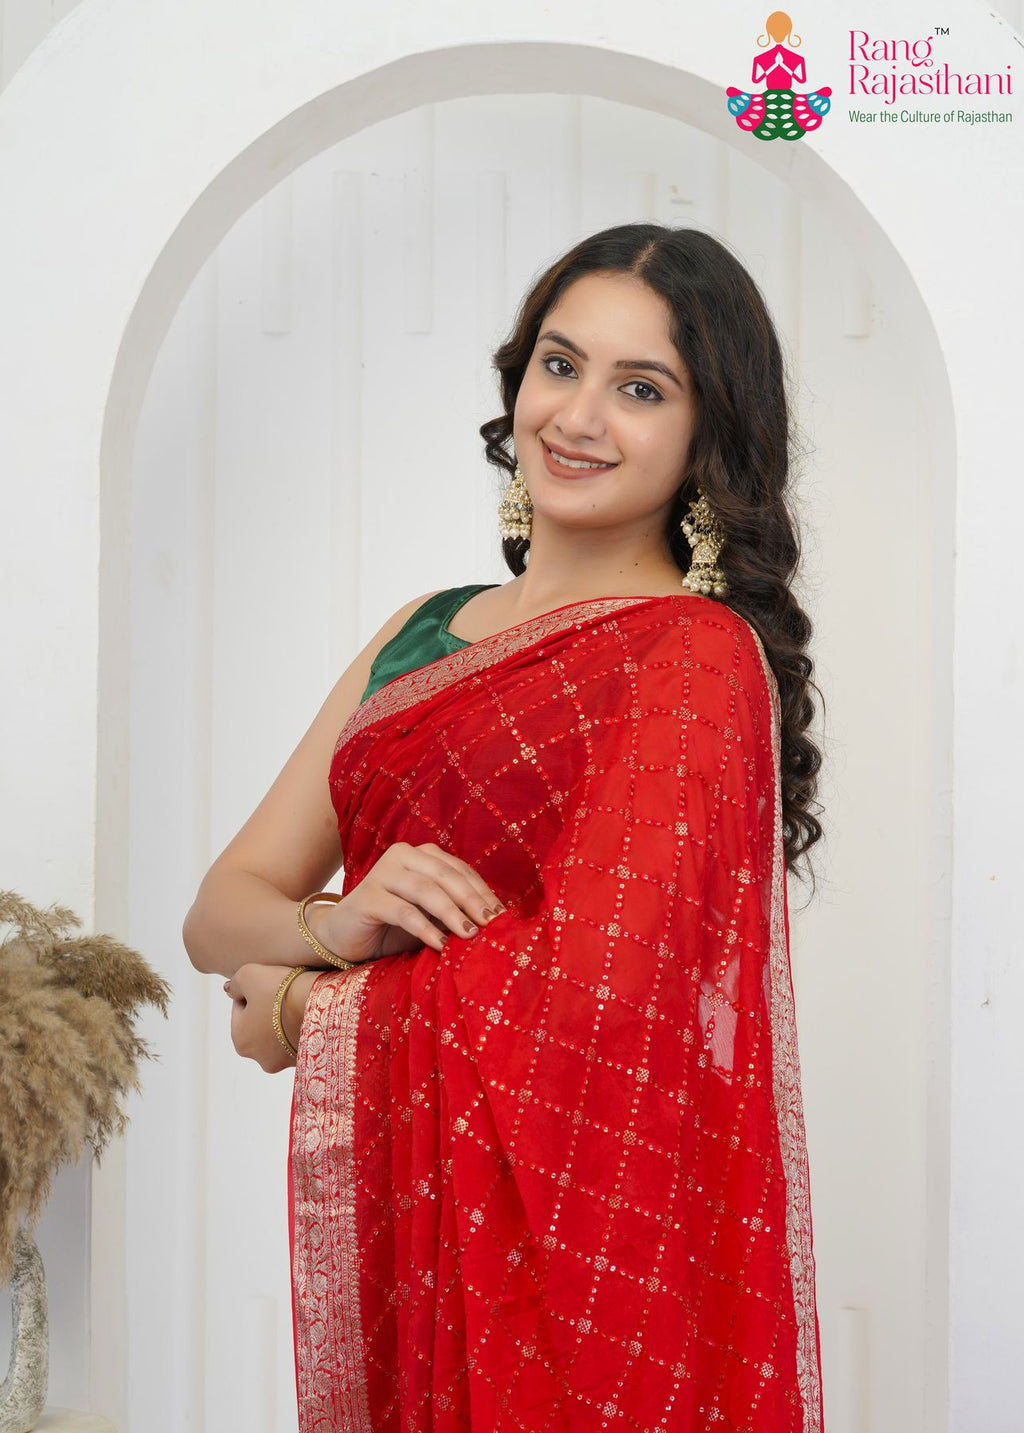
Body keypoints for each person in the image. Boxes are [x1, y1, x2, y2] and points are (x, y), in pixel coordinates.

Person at [183, 222, 826, 1431]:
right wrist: (338, 919)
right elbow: (220, 909)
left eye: (642, 388)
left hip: (582, 1255)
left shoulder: (690, 658)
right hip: (420, 1221)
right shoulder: (421, 630)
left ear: (706, 435)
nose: (578, 416)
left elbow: (591, 1004)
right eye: (558, 363)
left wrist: (296, 1007)